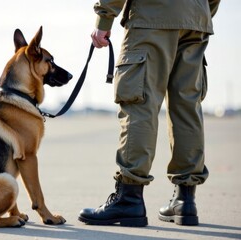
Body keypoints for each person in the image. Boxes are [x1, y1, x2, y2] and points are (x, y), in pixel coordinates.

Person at [78, 0, 221, 227]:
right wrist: (197, 11)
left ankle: (129, 198)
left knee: (138, 102)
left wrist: (105, 18)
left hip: (152, 16)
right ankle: (185, 201)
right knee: (187, 108)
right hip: (196, 18)